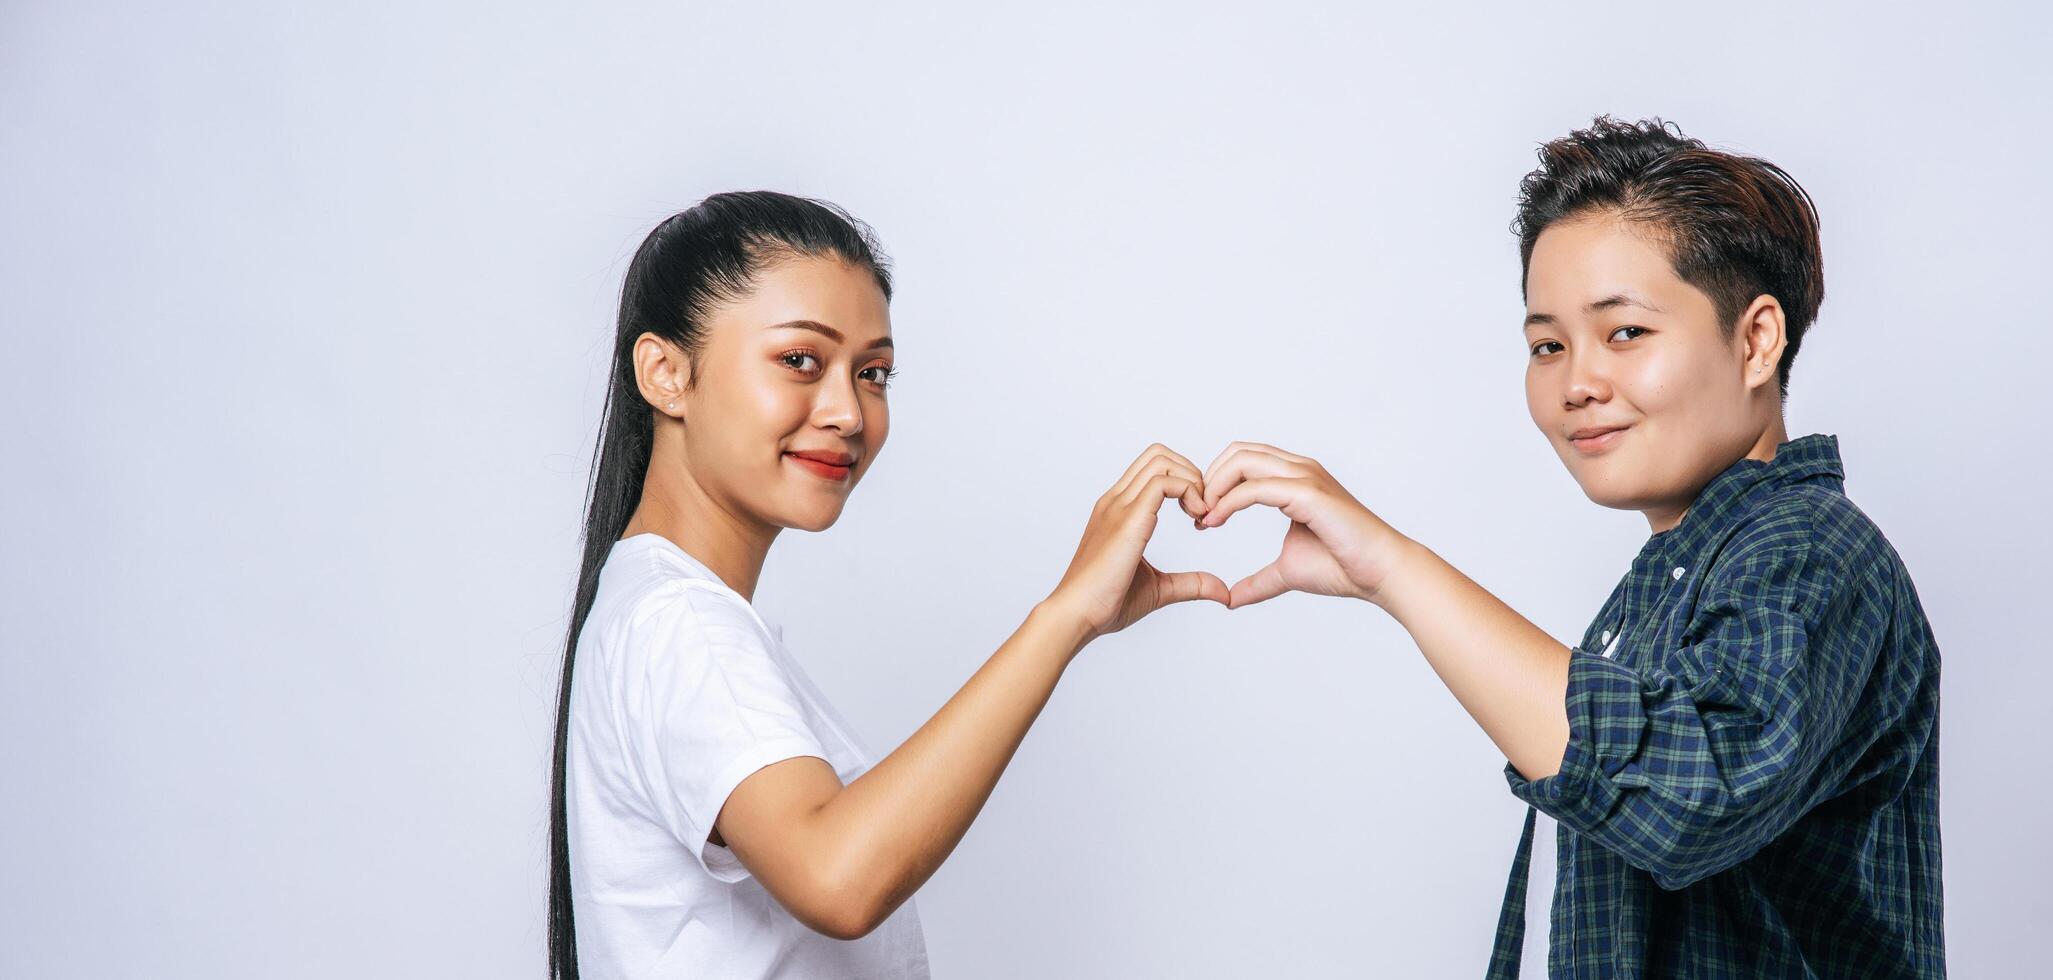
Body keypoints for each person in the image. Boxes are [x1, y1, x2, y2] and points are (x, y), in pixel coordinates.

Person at [1192, 117, 1945, 978]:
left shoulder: (1810, 550)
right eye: (1547, 345)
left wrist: (1394, 567)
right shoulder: (1665, 586)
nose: (1578, 384)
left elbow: (1687, 799)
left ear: (1756, 340)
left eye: (1625, 332)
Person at [544, 191, 1226, 978]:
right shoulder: (681, 624)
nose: (848, 411)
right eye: (801, 359)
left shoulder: (661, 611)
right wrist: (1066, 615)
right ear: (666, 374)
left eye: (874, 373)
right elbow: (838, 877)